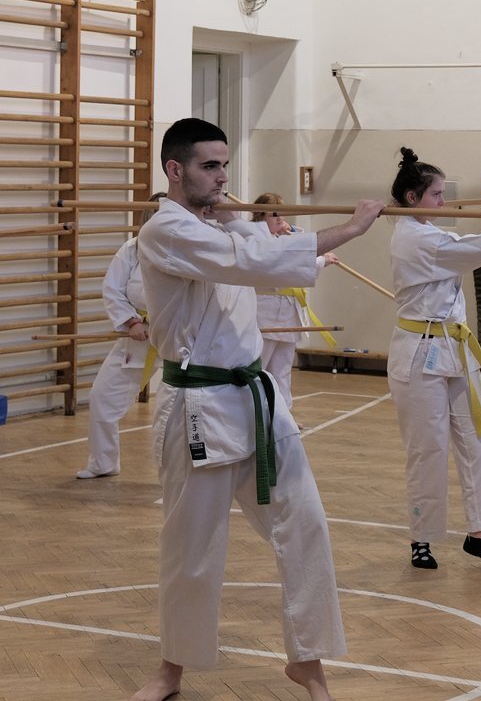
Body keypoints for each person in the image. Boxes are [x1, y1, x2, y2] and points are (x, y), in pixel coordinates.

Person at [131, 118, 385, 701]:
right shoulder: (167, 231)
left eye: (225, 165)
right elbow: (253, 262)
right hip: (198, 405)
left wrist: (253, 223)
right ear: (175, 170)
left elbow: (261, 248)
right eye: (210, 166)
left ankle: (309, 663)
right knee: (192, 550)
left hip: (258, 401)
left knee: (306, 527)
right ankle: (171, 670)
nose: (224, 177)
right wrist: (351, 228)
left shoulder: (221, 222)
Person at [387, 146, 481, 573]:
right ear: (412, 198)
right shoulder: (416, 238)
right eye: (436, 194)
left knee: (480, 439)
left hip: (455, 349)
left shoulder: (430, 232)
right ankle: (422, 536)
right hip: (418, 356)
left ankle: (480, 533)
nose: (444, 201)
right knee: (427, 449)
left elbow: (465, 245)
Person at [76, 192, 168, 479]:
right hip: (138, 336)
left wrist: (170, 322)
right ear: (146, 220)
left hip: (184, 341)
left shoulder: (190, 249)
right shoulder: (131, 249)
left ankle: (180, 473)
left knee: (175, 408)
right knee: (102, 397)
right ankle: (103, 462)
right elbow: (113, 289)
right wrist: (131, 322)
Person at [250, 192, 340, 410]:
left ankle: (283, 416)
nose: (280, 218)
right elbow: (287, 266)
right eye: (274, 214)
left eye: (282, 213)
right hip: (266, 313)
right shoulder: (256, 241)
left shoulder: (284, 238)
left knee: (282, 370)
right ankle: (257, 415)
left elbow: (300, 250)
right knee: (260, 368)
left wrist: (291, 235)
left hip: (289, 312)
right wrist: (321, 261)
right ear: (260, 217)